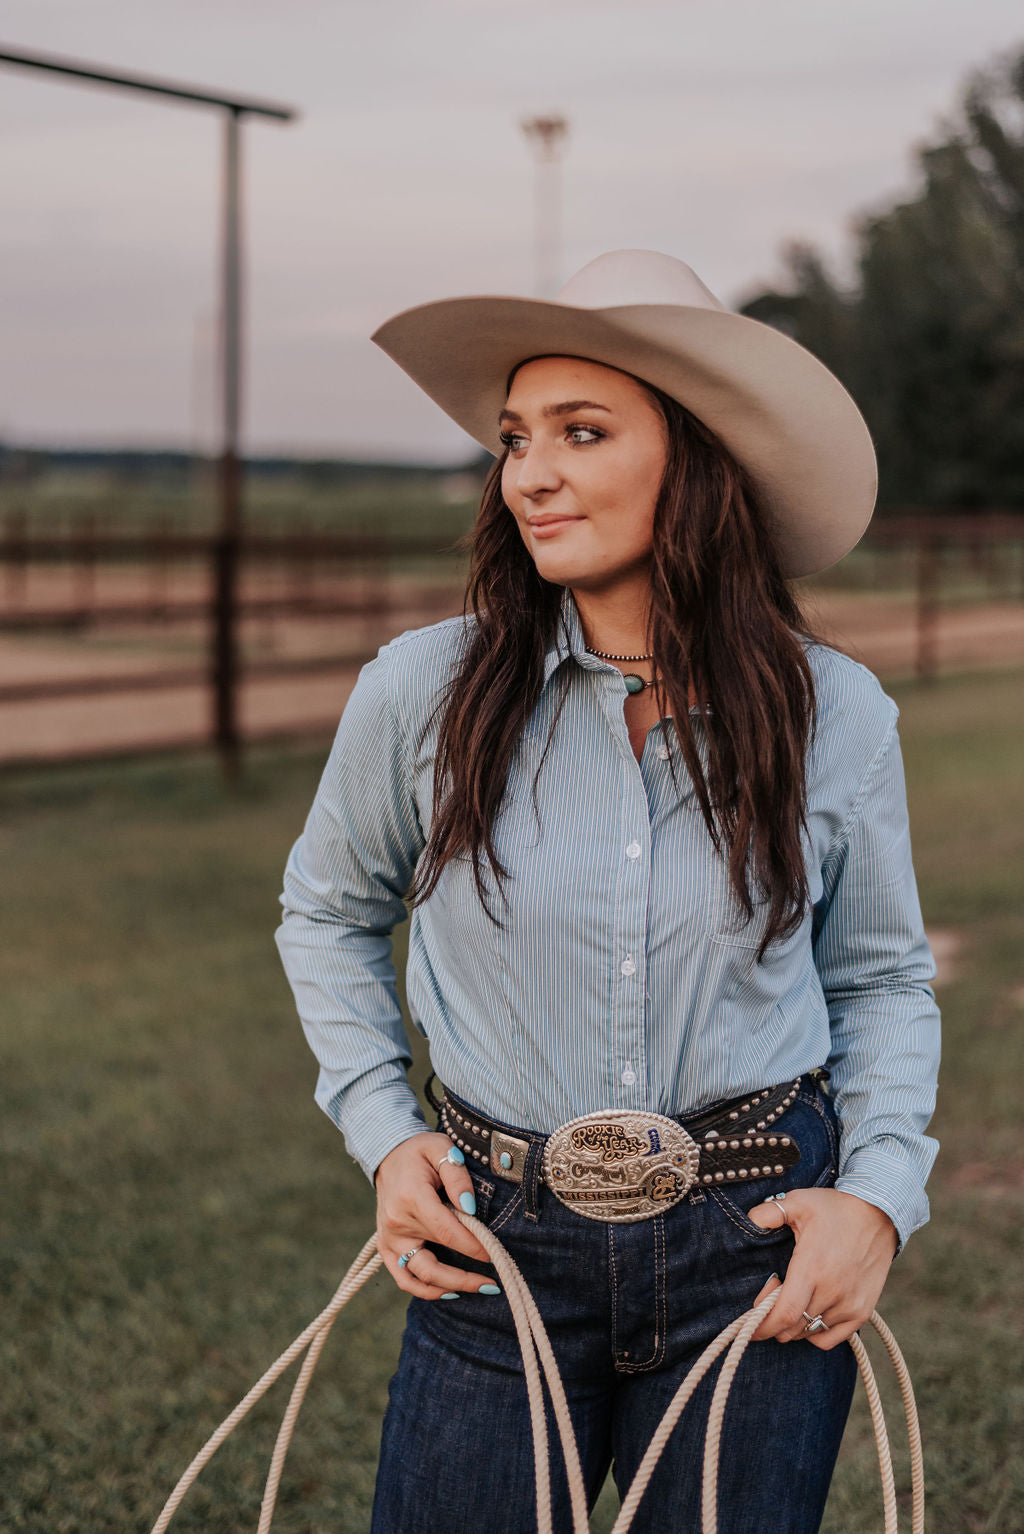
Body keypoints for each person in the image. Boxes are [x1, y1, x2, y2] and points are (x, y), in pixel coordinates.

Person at [274, 250, 941, 1533]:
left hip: (752, 1242)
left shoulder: (833, 714)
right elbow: (328, 908)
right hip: (496, 1241)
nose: (529, 472)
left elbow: (880, 976)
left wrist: (877, 1199)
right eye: (517, 437)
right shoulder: (423, 689)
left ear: (698, 463)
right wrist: (382, 1126)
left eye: (582, 432)